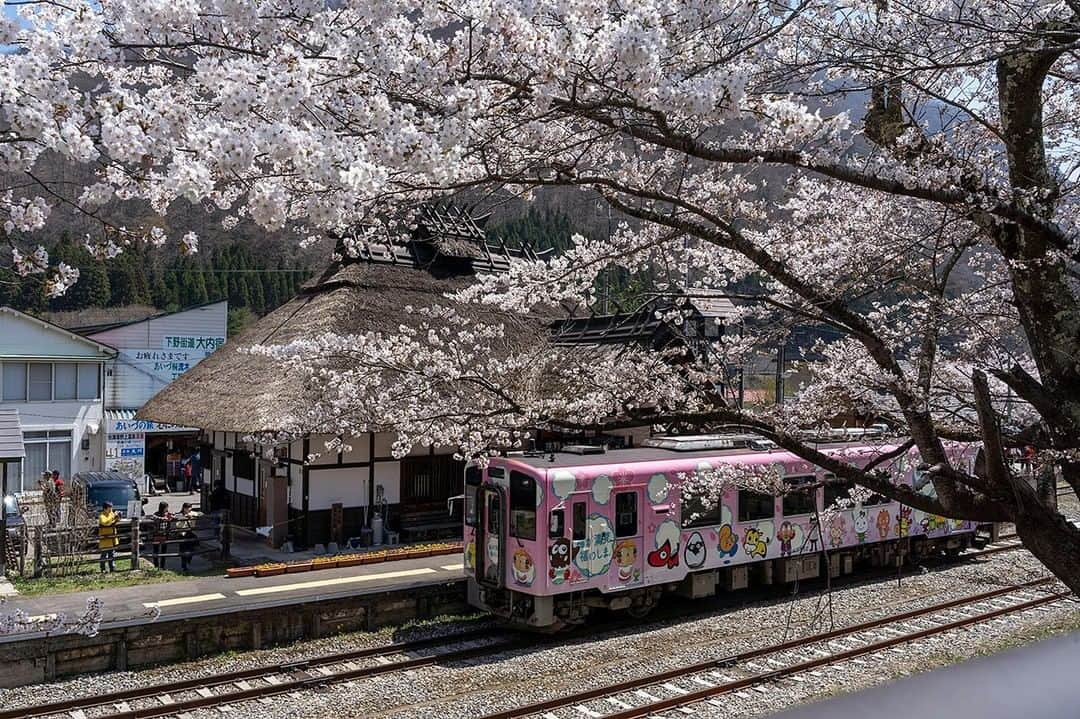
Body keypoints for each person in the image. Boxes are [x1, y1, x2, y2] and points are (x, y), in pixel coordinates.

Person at [175, 502, 200, 573]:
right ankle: (184, 566)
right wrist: (184, 518)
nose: (189, 509)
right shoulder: (179, 515)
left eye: (190, 508)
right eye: (188, 508)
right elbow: (177, 525)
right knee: (183, 550)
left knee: (194, 546)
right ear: (184, 508)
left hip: (190, 532)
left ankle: (189, 559)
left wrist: (193, 516)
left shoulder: (192, 513)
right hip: (182, 533)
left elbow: (201, 513)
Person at [98, 501, 119, 572]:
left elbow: (113, 521)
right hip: (105, 539)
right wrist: (113, 517)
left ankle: (112, 568)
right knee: (104, 555)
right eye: (109, 508)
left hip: (112, 538)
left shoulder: (111, 514)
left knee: (112, 554)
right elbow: (105, 523)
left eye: (111, 508)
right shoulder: (101, 516)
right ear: (105, 508)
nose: (111, 510)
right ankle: (103, 569)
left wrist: (117, 518)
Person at [150, 501, 172, 569]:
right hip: (157, 535)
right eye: (166, 507)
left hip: (165, 535)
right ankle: (156, 566)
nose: (167, 509)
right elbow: (153, 517)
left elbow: (173, 517)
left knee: (163, 551)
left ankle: (162, 566)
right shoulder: (157, 514)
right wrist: (162, 518)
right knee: (156, 551)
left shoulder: (168, 514)